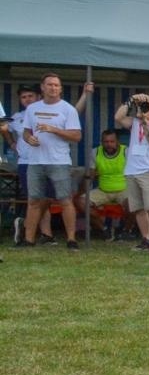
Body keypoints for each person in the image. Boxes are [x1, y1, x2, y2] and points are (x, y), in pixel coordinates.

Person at [18, 73, 83, 249]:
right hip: (35, 161)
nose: (53, 88)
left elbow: (77, 135)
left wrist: (54, 129)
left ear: (60, 89)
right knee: (33, 201)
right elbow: (25, 131)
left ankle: (71, 239)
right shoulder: (32, 108)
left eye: (56, 85)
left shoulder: (68, 109)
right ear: (42, 87)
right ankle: (29, 239)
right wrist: (28, 138)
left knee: (64, 200)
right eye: (50, 85)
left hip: (59, 161)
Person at [116, 91, 149, 252]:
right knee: (138, 208)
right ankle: (145, 238)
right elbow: (118, 117)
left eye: (147, 106)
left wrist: (145, 121)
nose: (144, 109)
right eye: (141, 106)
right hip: (133, 169)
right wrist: (130, 100)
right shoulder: (134, 122)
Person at [88, 129, 128, 238]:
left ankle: (125, 230)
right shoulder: (95, 152)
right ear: (101, 142)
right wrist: (83, 188)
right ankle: (104, 229)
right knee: (80, 201)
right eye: (106, 142)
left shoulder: (126, 151)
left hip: (123, 189)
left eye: (112, 141)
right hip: (103, 190)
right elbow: (90, 175)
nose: (109, 144)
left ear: (117, 142)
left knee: (134, 204)